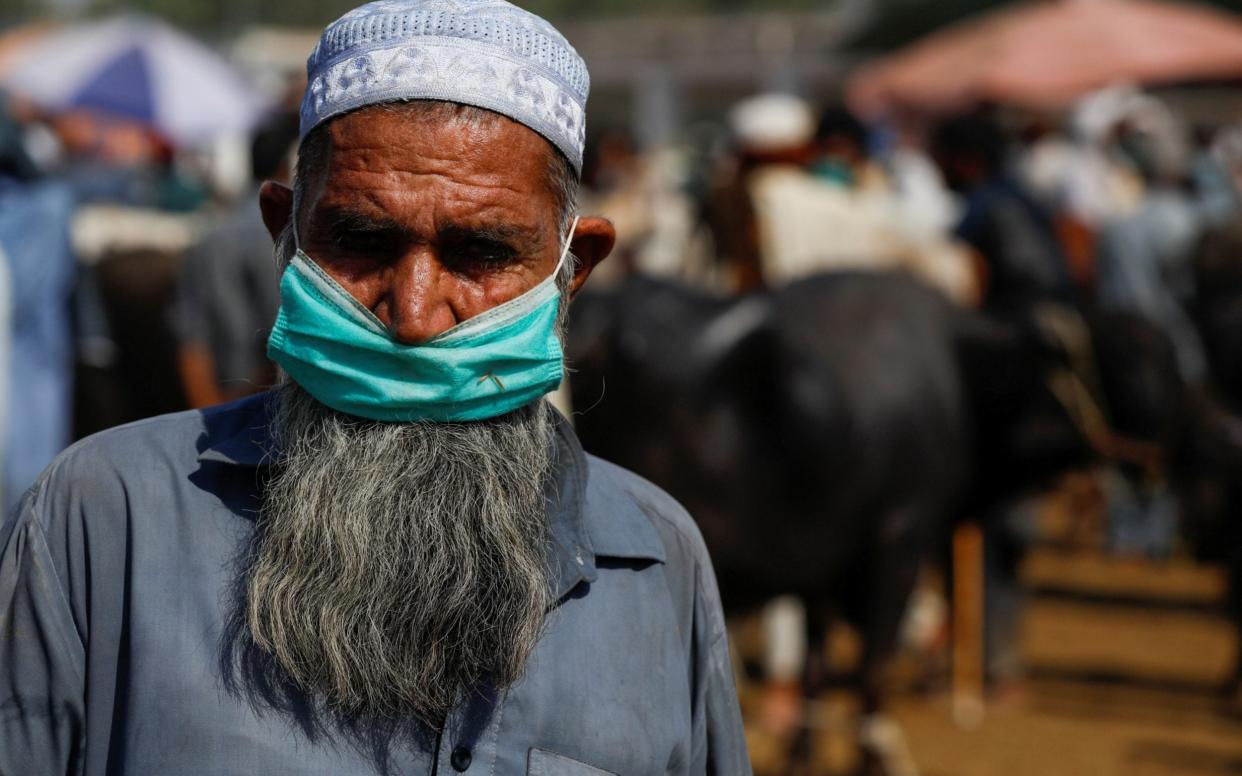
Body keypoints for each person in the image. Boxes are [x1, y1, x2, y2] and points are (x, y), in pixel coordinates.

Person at [0, 2, 750, 774]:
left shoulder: (657, 559)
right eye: (361, 241)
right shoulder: (101, 523)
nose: (416, 315)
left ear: (573, 270)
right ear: (282, 233)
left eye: (481, 251)